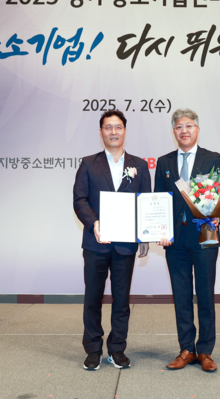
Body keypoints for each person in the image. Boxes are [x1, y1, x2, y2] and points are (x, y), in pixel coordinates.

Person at [154, 108, 220, 373]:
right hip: (175, 239)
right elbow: (158, 199)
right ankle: (187, 349)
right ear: (173, 131)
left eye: (188, 126)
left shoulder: (212, 158)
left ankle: (206, 351)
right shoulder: (164, 162)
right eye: (179, 127)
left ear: (197, 129)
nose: (184, 130)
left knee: (206, 294)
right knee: (181, 295)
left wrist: (217, 216)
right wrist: (160, 230)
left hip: (205, 233)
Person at [73, 109, 151, 371]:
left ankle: (117, 349)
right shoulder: (88, 164)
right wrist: (94, 222)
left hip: (125, 245)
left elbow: (145, 202)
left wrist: (145, 236)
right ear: (101, 132)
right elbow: (80, 200)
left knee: (121, 300)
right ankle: (93, 349)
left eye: (118, 127)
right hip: (96, 243)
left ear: (125, 131)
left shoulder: (139, 165)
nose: (113, 132)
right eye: (108, 127)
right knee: (93, 298)